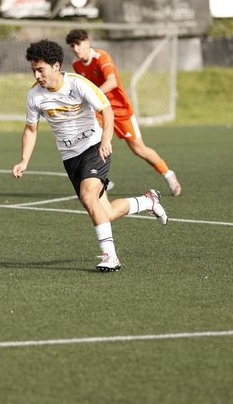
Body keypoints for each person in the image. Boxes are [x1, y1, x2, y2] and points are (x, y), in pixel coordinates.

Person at [12, 39, 168, 272]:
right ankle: (148, 201)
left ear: (56, 66)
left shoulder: (78, 84)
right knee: (105, 212)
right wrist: (24, 159)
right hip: (70, 158)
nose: (37, 75)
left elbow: (106, 109)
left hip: (94, 147)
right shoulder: (35, 96)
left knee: (88, 196)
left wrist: (106, 140)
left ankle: (110, 256)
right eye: (33, 70)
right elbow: (31, 129)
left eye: (40, 70)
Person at [66, 28, 182, 196]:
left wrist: (93, 95)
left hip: (120, 111)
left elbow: (112, 82)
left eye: (78, 44)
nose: (76, 49)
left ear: (87, 42)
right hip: (99, 112)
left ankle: (168, 174)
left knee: (139, 149)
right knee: (92, 143)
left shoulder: (101, 57)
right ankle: (99, 183)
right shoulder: (77, 65)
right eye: (72, 46)